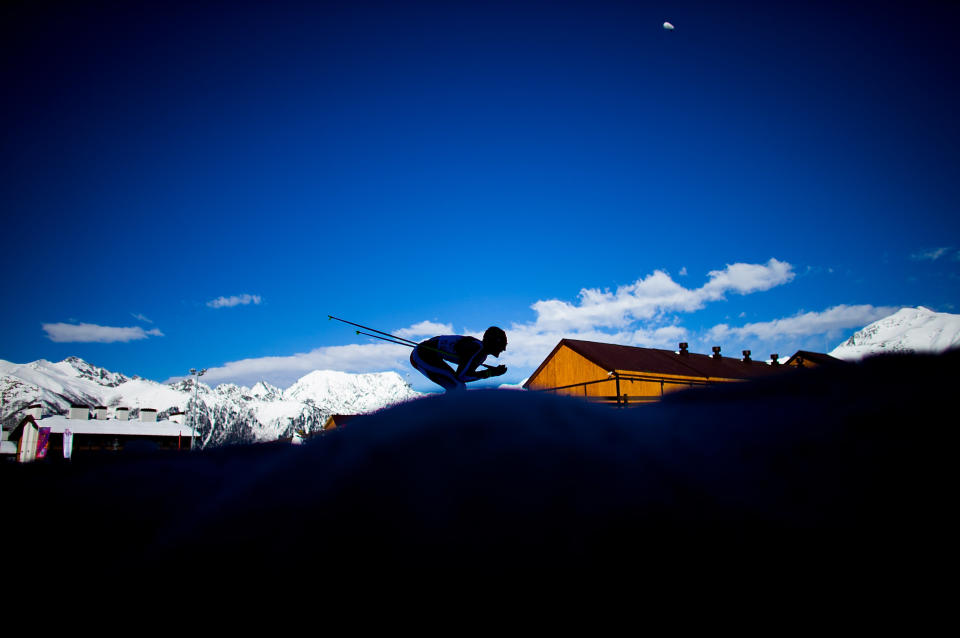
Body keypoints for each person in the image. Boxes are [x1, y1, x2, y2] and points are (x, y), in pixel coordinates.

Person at [410, 327, 508, 392]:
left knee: (457, 387)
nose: (504, 349)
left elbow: (467, 373)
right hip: (422, 354)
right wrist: (490, 373)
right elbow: (462, 376)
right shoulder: (476, 349)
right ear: (494, 343)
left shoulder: (480, 352)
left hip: (424, 353)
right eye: (502, 344)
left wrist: (490, 372)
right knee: (458, 386)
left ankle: (446, 416)